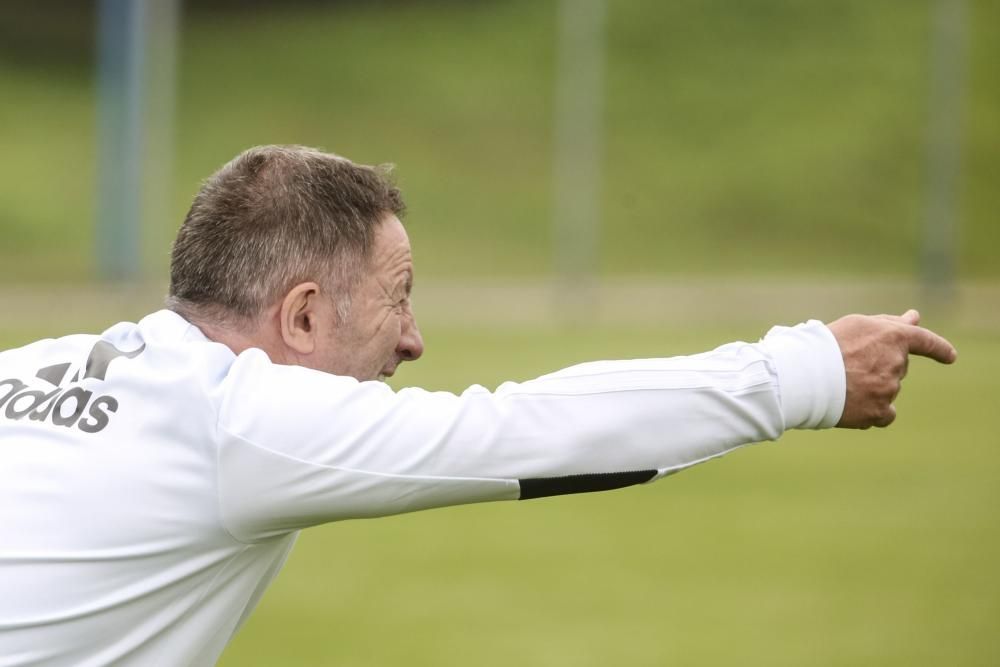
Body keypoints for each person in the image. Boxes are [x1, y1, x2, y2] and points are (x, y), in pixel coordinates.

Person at [0, 145, 956, 665]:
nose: (413, 340)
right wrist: (809, 370)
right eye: (397, 294)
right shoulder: (240, 417)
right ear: (300, 314)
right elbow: (530, 434)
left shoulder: (31, 366)